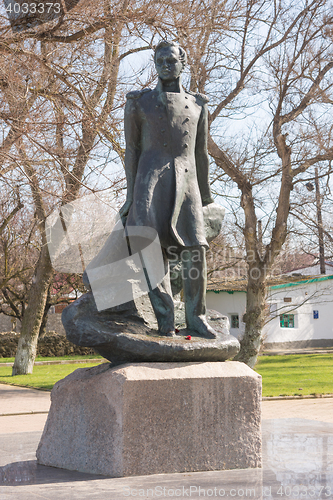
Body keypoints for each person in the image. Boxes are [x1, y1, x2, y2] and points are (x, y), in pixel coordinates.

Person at [119, 40, 218, 339]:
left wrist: (207, 195)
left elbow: (201, 154)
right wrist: (129, 196)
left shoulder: (199, 105)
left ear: (182, 62)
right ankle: (164, 319)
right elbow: (131, 150)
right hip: (150, 180)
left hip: (188, 182)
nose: (164, 65)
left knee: (196, 248)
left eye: (170, 60)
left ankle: (196, 318)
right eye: (159, 61)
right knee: (149, 248)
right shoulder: (139, 102)